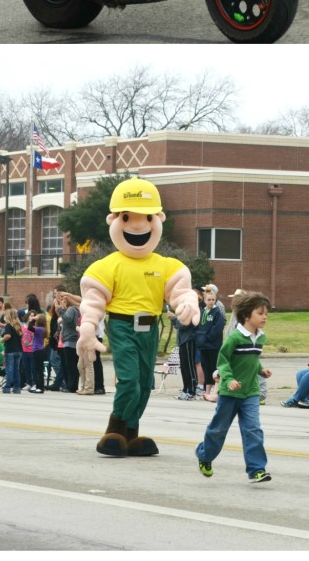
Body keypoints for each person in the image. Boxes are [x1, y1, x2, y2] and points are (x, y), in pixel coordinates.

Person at [77, 176, 200, 456]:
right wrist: (88, 326)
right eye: (127, 217)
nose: (137, 225)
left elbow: (179, 291)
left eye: (146, 217)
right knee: (130, 380)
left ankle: (130, 433)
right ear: (114, 220)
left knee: (145, 383)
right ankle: (114, 429)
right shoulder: (107, 266)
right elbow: (94, 300)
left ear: (158, 219)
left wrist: (188, 301)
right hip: (121, 324)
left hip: (150, 326)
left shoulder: (166, 265)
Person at [195, 291, 272, 482]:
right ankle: (204, 455)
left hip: (250, 392)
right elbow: (223, 361)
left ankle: (257, 470)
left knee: (253, 429)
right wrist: (228, 379)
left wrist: (261, 370)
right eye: (260, 313)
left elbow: (251, 360)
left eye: (266, 314)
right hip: (230, 393)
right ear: (247, 315)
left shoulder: (260, 338)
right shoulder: (235, 338)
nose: (265, 317)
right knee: (219, 430)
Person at [195, 287, 226, 402]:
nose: (211, 302)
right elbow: (199, 326)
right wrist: (199, 338)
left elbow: (218, 328)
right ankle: (207, 390)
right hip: (204, 346)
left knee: (214, 367)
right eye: (209, 300)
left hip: (213, 345)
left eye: (213, 300)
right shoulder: (203, 312)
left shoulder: (217, 312)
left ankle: (215, 389)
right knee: (205, 367)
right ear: (204, 300)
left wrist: (208, 337)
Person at [172, 299, 200, 401]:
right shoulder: (182, 314)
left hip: (189, 341)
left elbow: (182, 325)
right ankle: (185, 388)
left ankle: (192, 390)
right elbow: (177, 325)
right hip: (182, 342)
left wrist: (173, 318)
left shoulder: (190, 312)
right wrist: (174, 319)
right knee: (183, 367)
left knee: (189, 366)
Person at [0, 307, 24, 394]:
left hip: (10, 350)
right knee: (16, 370)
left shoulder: (8, 326)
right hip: (19, 350)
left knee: (9, 369)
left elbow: (8, 336)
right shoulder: (18, 326)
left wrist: (1, 340)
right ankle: (17, 387)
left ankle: (7, 387)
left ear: (8, 317)